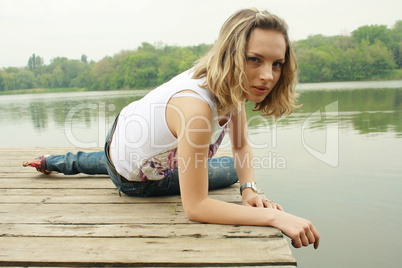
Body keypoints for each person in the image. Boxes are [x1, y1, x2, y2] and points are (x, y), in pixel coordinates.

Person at [23, 8, 320, 249]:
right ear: (230, 54)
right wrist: (272, 217)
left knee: (233, 170)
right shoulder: (196, 111)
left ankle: (54, 161)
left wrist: (249, 189)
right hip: (136, 179)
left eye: (277, 64)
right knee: (228, 168)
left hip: (121, 137)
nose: (267, 75)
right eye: (254, 59)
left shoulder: (226, 83)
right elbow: (197, 207)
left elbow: (241, 143)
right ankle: (71, 163)